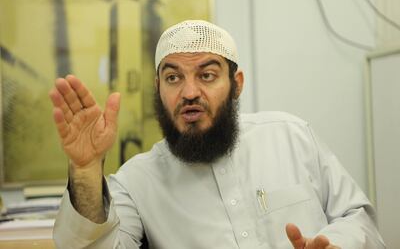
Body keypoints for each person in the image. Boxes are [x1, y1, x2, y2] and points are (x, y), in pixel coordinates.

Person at [50, 20, 385, 249]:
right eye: (173, 78)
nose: (189, 92)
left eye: (207, 75)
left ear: (236, 84)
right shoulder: (137, 182)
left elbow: (357, 218)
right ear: (157, 89)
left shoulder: (292, 137)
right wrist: (85, 169)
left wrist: (337, 244)